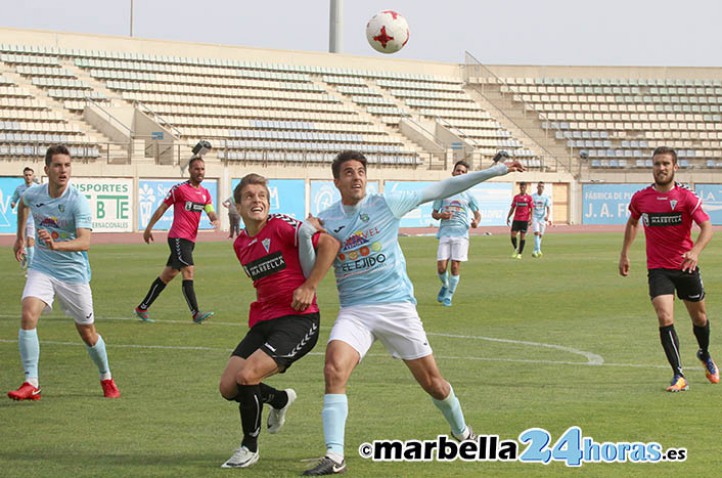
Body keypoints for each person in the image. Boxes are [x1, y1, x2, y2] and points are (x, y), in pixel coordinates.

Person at [302, 150, 524, 475]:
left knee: (433, 383)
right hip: (356, 311)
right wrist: (309, 235)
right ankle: (334, 456)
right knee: (334, 370)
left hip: (395, 306)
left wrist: (495, 171)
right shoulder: (326, 218)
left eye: (361, 170)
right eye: (348, 172)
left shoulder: (386, 204)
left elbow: (444, 187)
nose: (357, 177)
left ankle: (463, 433)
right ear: (336, 181)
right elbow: (312, 271)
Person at [219, 174, 340, 468]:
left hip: (299, 320)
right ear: (238, 205)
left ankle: (249, 447)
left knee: (247, 376)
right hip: (263, 320)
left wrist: (309, 285)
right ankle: (279, 400)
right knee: (228, 387)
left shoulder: (283, 225)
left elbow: (330, 244)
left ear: (269, 202)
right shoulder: (240, 245)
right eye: (249, 196)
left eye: (261, 195)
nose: (256, 200)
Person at [8, 145, 120, 401]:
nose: (63, 170)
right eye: (58, 165)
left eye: (67, 165)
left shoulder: (76, 201)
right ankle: (31, 383)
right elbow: (23, 206)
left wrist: (56, 244)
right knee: (27, 314)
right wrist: (19, 238)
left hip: (73, 275)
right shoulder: (34, 193)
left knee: (88, 333)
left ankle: (106, 377)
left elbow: (85, 242)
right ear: (46, 169)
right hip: (43, 268)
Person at [619, 146, 719, 392]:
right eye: (656, 164)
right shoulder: (641, 198)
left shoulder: (686, 198)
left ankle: (705, 353)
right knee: (664, 317)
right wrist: (624, 253)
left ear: (675, 167)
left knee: (700, 318)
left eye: (665, 164)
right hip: (658, 268)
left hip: (686, 266)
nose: (661, 168)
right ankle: (678, 375)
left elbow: (707, 228)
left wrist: (695, 252)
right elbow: (632, 222)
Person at [134, 157, 219, 324]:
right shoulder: (179, 190)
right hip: (178, 237)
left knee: (168, 275)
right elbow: (162, 208)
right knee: (188, 271)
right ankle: (196, 313)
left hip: (190, 240)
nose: (200, 172)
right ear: (190, 170)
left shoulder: (205, 193)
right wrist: (148, 228)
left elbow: (209, 209)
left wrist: (214, 218)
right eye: (196, 169)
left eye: (202, 169)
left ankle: (142, 308)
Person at [431, 160, 481, 307]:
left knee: (455, 266)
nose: (460, 173)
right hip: (445, 232)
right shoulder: (444, 192)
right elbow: (434, 213)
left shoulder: (469, 195)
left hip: (461, 234)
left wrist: (476, 222)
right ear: (452, 172)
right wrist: (441, 216)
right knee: (441, 267)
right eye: (458, 170)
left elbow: (477, 214)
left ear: (466, 176)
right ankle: (445, 285)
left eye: (463, 172)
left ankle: (449, 296)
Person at [10, 167, 38, 270]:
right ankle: (25, 256)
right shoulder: (19, 188)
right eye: (26, 175)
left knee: (30, 241)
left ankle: (30, 268)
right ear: (23, 176)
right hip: (22, 220)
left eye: (30, 175)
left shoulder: (37, 188)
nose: (28, 177)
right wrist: (12, 203)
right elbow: (14, 198)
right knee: (21, 242)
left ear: (33, 176)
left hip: (32, 220)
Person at [506, 181, 533, 259]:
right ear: (519, 188)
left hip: (524, 220)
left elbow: (532, 209)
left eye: (524, 187)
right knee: (513, 235)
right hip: (516, 219)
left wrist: (531, 218)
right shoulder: (516, 197)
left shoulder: (529, 198)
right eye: (521, 187)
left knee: (522, 236)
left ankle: (520, 254)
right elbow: (512, 207)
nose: (522, 188)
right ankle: (515, 248)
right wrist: (508, 217)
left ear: (526, 188)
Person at [530, 181, 552, 258]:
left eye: (542, 187)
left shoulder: (546, 197)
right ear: (537, 187)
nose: (541, 188)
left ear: (544, 188)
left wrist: (547, 216)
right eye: (539, 186)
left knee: (540, 235)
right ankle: (538, 250)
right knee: (536, 233)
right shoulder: (532, 197)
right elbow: (530, 208)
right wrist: (530, 218)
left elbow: (548, 208)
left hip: (542, 218)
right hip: (535, 217)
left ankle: (535, 250)